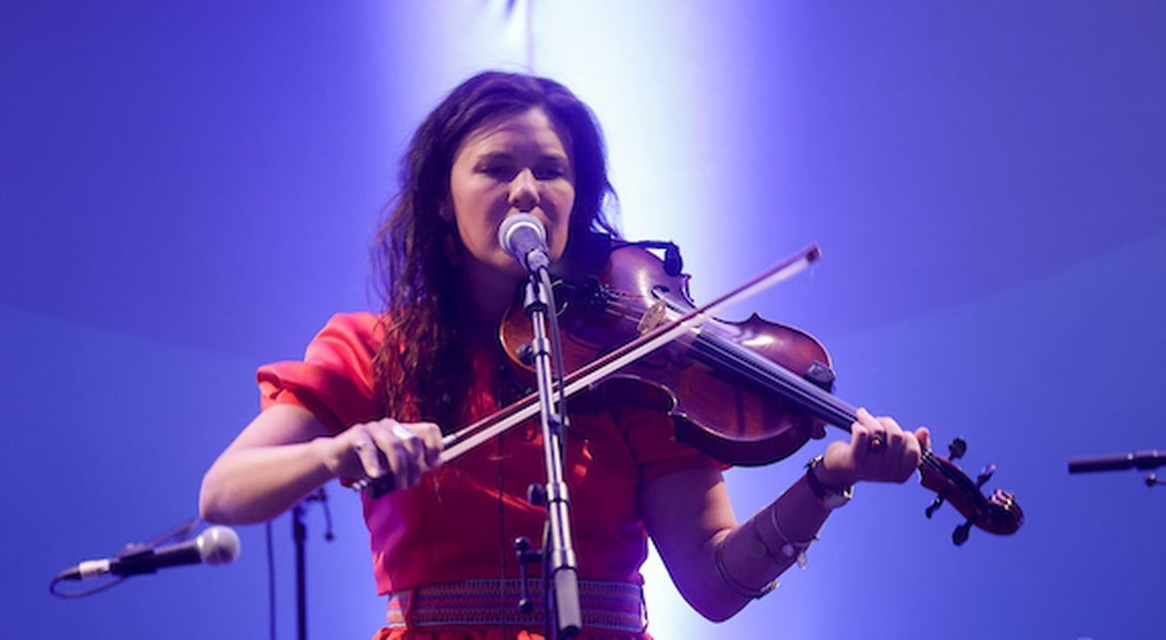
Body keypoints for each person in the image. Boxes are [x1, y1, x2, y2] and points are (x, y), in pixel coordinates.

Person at [198, 71, 930, 639]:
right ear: (444, 197)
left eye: (551, 170)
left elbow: (713, 584)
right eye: (495, 169)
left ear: (576, 196)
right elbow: (225, 491)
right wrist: (337, 451)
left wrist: (826, 482)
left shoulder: (636, 363)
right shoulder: (375, 349)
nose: (527, 190)